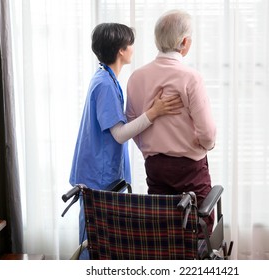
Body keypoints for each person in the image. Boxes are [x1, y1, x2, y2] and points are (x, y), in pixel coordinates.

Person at [69, 22, 183, 259]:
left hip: (101, 174)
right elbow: (119, 134)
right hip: (97, 178)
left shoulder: (107, 79)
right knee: (96, 244)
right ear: (121, 50)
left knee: (103, 242)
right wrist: (155, 112)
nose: (133, 47)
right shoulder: (104, 85)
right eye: (130, 43)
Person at [126, 10, 217, 236]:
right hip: (190, 168)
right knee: (199, 226)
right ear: (184, 42)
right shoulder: (190, 77)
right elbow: (208, 133)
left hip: (155, 167)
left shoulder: (136, 77)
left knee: (162, 229)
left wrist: (150, 150)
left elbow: (132, 125)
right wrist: (204, 146)